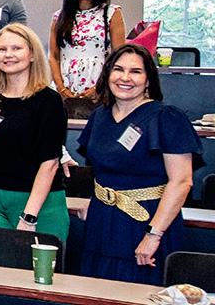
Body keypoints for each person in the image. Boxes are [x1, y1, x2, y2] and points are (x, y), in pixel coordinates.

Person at [75, 44, 198, 285]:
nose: (125, 78)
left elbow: (182, 181)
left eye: (136, 72)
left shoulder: (166, 118)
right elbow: (100, 168)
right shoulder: (100, 116)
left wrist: (154, 234)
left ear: (148, 79)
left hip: (146, 221)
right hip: (102, 220)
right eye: (118, 69)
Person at [0, 24, 69, 243]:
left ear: (32, 54)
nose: (8, 55)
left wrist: (29, 217)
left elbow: (50, 163)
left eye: (16, 48)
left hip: (40, 206)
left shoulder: (48, 101)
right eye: (2, 49)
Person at [51, 0, 127, 102]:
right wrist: (61, 88)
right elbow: (54, 57)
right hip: (65, 88)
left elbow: (119, 56)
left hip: (100, 86)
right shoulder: (59, 16)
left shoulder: (112, 12)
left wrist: (100, 87)